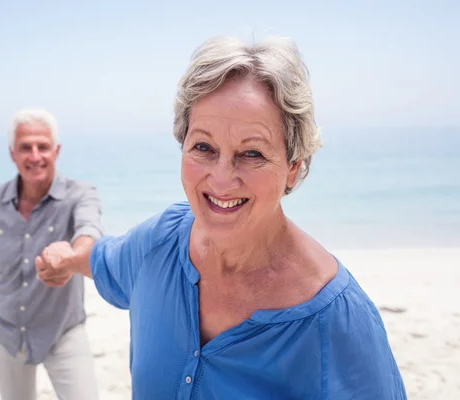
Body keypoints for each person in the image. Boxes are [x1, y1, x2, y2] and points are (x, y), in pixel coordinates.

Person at [36, 36, 408, 399]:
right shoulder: (160, 243)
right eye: (203, 147)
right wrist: (66, 260)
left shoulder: (337, 320)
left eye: (252, 154)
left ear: (294, 167)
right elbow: (107, 259)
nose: (221, 178)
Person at [0, 109, 102, 400]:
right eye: (25, 147)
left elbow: (90, 232)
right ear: (12, 154)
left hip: (62, 332)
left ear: (56, 151)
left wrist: (71, 258)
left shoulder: (80, 195)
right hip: (5, 334)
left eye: (42, 146)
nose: (35, 156)